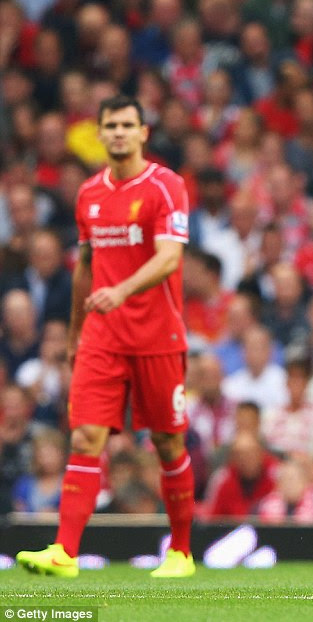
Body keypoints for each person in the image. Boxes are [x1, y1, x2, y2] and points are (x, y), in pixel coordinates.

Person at [17, 96, 195, 579]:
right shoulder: (89, 195)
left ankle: (180, 552)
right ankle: (65, 552)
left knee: (167, 442)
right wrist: (76, 334)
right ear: (99, 134)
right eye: (110, 125)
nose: (118, 132)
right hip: (102, 337)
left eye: (127, 125)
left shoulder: (166, 186)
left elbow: (170, 258)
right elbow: (86, 268)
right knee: (85, 434)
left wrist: (120, 291)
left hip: (158, 336)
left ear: (143, 132)